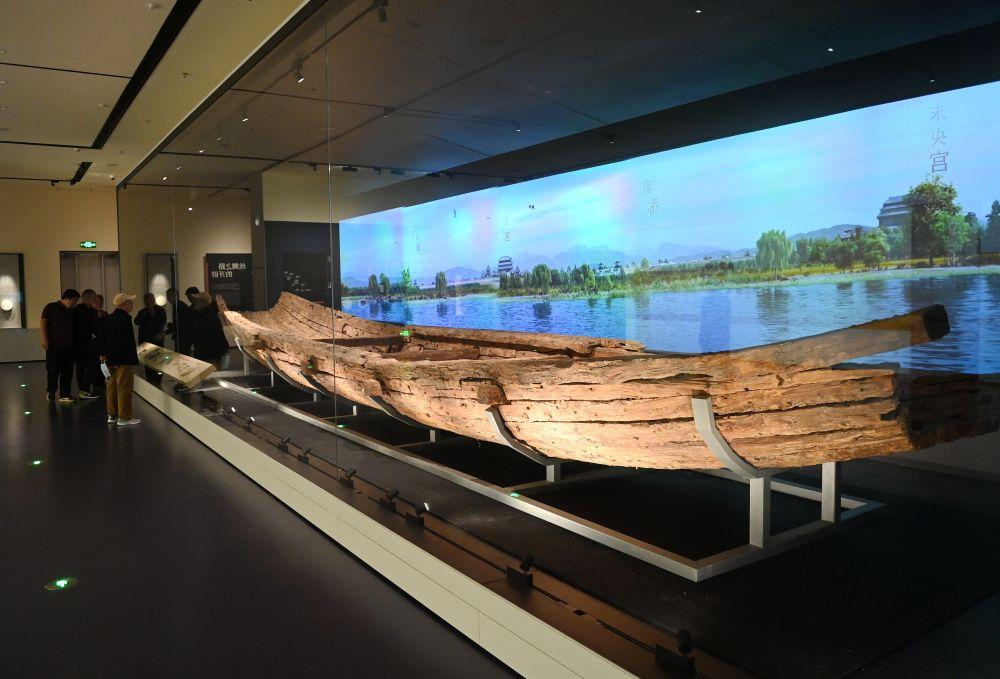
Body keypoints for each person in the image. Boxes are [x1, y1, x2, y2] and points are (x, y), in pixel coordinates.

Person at [99, 293, 141, 426]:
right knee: (124, 388)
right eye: (130, 302)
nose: (132, 304)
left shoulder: (108, 318)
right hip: (123, 358)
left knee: (111, 387)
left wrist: (105, 354)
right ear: (124, 304)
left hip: (109, 359)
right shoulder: (125, 319)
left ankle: (112, 415)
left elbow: (101, 338)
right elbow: (124, 340)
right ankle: (124, 417)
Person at [41, 289, 80, 404]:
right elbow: (43, 322)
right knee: (53, 370)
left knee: (67, 371)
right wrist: (44, 338)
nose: (75, 303)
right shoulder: (51, 307)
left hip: (69, 346)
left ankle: (65, 394)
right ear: (68, 299)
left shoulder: (72, 311)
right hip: (54, 346)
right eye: (75, 300)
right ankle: (51, 392)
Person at [72, 289, 103, 399]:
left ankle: (83, 390)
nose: (95, 300)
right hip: (86, 344)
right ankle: (84, 390)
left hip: (77, 344)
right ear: (89, 298)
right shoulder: (91, 312)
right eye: (94, 298)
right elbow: (95, 329)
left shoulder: (75, 310)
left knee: (80, 367)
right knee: (91, 366)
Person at [191, 291, 230, 369]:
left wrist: (223, 350)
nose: (194, 302)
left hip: (210, 356)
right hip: (206, 355)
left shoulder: (209, 316)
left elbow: (217, 334)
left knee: (210, 375)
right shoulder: (203, 315)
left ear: (203, 302)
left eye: (197, 300)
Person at [134, 293, 167, 384]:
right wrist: (143, 315)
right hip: (146, 341)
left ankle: (158, 378)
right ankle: (150, 378)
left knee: (159, 360)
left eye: (151, 300)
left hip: (157, 340)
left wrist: (153, 314)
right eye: (147, 301)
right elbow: (136, 321)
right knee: (148, 361)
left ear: (154, 300)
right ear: (145, 302)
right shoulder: (142, 312)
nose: (149, 302)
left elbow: (163, 321)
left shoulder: (160, 310)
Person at [166, 287, 194, 356]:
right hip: (184, 337)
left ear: (174, 296)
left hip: (183, 338)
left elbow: (179, 324)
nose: (167, 299)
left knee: (182, 356)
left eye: (169, 296)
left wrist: (165, 332)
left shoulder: (179, 306)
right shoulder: (179, 305)